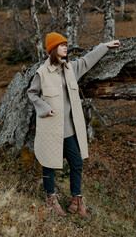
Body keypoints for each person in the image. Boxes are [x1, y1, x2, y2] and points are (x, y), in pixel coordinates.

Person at [27, 32, 120, 218]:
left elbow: (87, 60)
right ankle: (50, 200)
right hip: (50, 129)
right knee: (49, 163)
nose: (65, 47)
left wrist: (105, 46)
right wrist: (45, 108)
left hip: (68, 130)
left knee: (76, 162)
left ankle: (76, 202)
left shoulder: (70, 68)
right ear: (53, 49)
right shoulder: (42, 73)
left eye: (66, 44)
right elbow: (32, 94)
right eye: (62, 45)